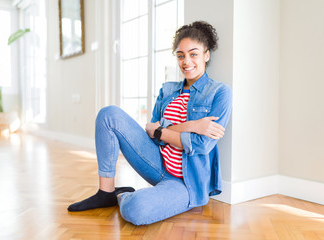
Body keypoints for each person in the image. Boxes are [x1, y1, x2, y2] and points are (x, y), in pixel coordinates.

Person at [68, 20, 232, 225]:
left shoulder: (220, 92)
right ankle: (106, 192)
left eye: (193, 54)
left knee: (138, 210)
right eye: (180, 55)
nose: (186, 61)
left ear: (206, 55)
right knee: (108, 114)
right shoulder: (169, 90)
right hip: (156, 162)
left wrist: (161, 131)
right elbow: (150, 129)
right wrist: (192, 125)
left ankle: (121, 197)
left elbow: (200, 145)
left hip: (186, 182)